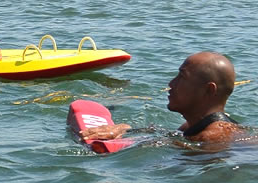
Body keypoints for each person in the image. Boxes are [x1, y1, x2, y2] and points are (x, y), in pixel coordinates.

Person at [81, 52, 245, 144]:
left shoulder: (213, 138)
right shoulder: (193, 127)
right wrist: (127, 130)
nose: (171, 83)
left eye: (182, 77)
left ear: (209, 90)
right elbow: (168, 136)